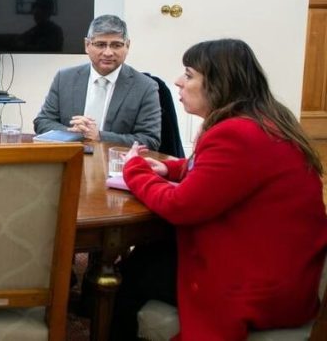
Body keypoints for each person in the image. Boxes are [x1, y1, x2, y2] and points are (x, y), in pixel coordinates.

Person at [113, 39, 327, 339]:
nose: (177, 81)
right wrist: (170, 168)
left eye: (188, 74)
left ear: (217, 84)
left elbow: (180, 206)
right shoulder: (263, 120)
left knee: (133, 272)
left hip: (257, 284)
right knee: (148, 257)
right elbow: (225, 173)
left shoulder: (236, 133)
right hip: (288, 271)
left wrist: (134, 168)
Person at [33, 14, 161, 149]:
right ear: (87, 45)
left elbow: (150, 140)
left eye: (116, 45)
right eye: (100, 45)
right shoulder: (65, 78)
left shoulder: (145, 87)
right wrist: (75, 132)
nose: (108, 52)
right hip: (70, 159)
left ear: (127, 46)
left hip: (115, 165)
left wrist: (100, 136)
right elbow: (42, 122)